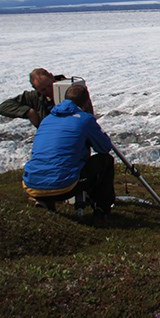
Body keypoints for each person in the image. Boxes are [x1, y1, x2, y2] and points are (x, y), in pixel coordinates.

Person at [22, 83, 115, 218]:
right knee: (105, 161)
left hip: (31, 185)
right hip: (64, 187)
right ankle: (102, 209)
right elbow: (104, 147)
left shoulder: (47, 119)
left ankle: (44, 202)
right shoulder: (85, 120)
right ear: (86, 102)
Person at [0, 68, 67, 128]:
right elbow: (3, 107)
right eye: (43, 90)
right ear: (36, 88)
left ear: (52, 77)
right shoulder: (35, 97)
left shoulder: (71, 89)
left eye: (49, 86)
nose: (49, 90)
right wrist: (28, 112)